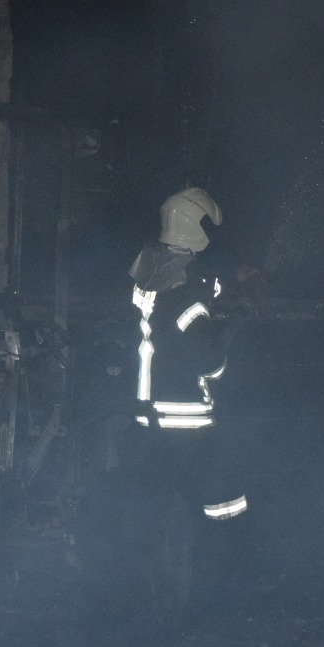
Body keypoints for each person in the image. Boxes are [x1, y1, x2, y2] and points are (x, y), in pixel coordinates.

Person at [128, 187, 248, 523]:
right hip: (188, 422)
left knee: (160, 519)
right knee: (223, 506)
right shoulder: (188, 301)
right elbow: (212, 364)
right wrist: (232, 327)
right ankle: (231, 559)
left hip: (147, 419)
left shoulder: (147, 279)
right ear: (195, 228)